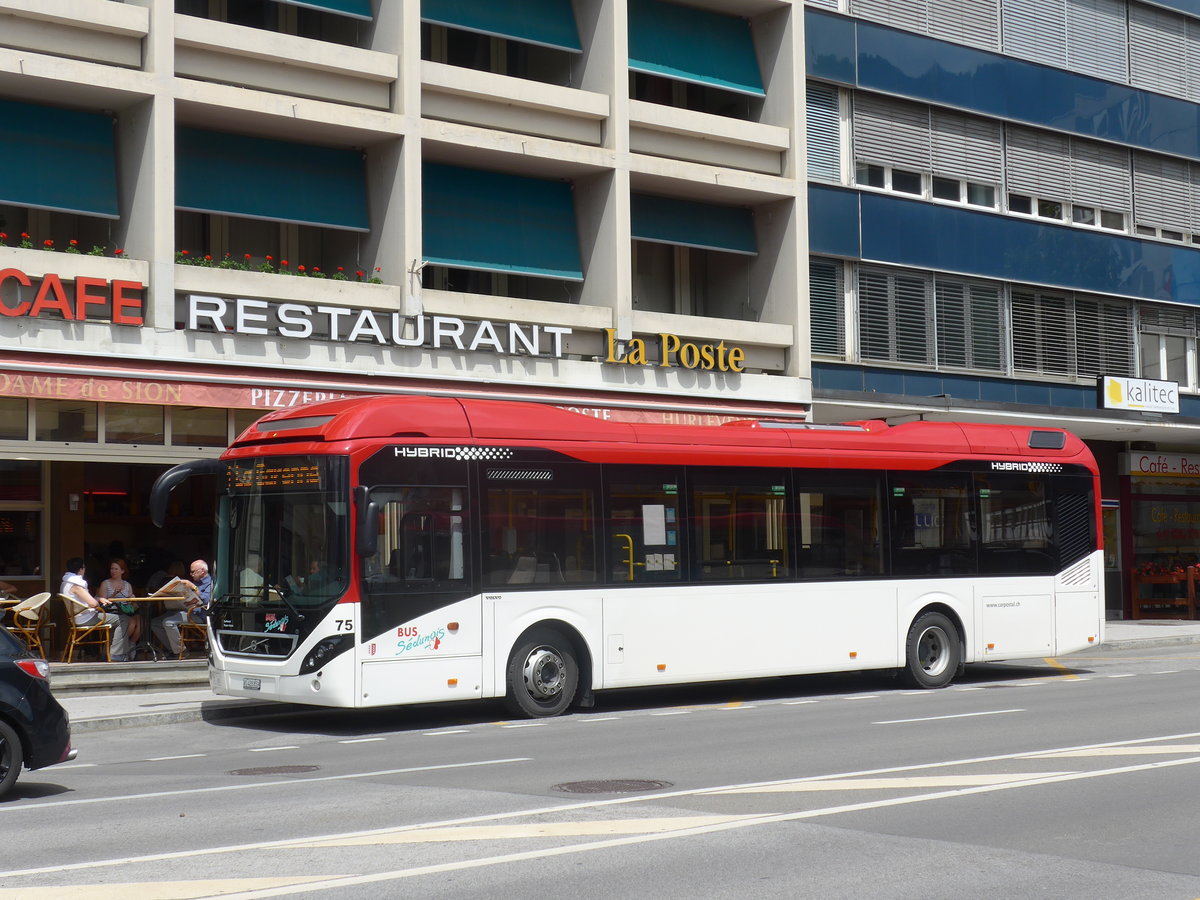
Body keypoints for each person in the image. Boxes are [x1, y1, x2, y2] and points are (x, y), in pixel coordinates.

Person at [60, 557, 130, 662]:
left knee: (114, 621)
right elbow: (93, 603)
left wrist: (99, 599)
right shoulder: (76, 585)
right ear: (81, 569)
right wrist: (99, 601)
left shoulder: (66, 582)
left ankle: (107, 653)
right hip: (85, 618)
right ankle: (116, 654)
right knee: (123, 619)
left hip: (77, 617)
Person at [152, 559, 213, 657]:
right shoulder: (196, 582)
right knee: (155, 623)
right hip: (185, 611)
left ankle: (181, 652)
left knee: (168, 622)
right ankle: (173, 649)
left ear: (202, 571)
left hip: (198, 614)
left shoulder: (211, 583)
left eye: (193, 571)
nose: (191, 574)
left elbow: (205, 600)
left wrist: (192, 587)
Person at [96, 557, 141, 644]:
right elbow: (103, 603)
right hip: (112, 611)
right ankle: (119, 645)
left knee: (141, 622)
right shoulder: (105, 583)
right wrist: (114, 594)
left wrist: (131, 599)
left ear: (122, 571)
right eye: (112, 568)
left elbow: (130, 603)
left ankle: (131, 645)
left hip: (126, 611)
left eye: (116, 569)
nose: (113, 571)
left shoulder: (127, 585)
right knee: (131, 622)